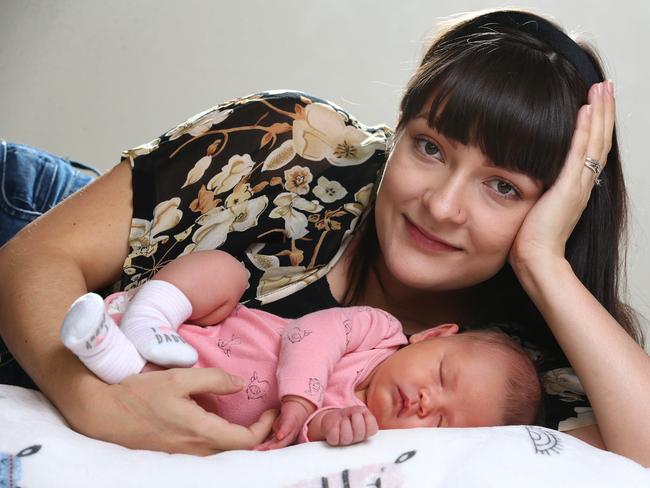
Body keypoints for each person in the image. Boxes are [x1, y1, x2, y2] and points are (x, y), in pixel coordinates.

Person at [0, 9, 648, 465]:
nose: (442, 205)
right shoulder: (298, 145)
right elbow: (35, 258)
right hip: (43, 214)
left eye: (502, 187)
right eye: (429, 147)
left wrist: (545, 262)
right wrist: (95, 403)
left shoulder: (534, 365)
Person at [59, 249, 541, 449]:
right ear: (434, 336)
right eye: (441, 377)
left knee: (143, 383)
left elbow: (299, 440)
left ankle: (109, 351)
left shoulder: (364, 427)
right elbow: (308, 334)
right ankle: (147, 317)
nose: (425, 402)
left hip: (162, 389)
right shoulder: (377, 329)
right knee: (226, 272)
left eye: (440, 421)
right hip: (194, 320)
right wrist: (301, 398)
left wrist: (324, 426)